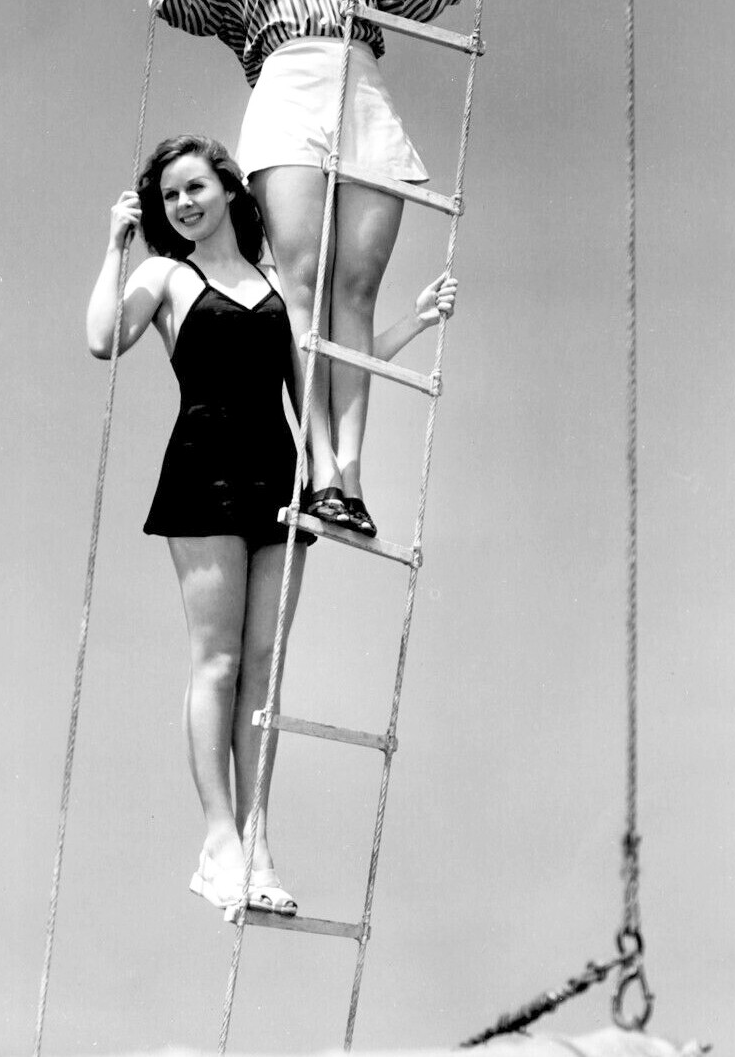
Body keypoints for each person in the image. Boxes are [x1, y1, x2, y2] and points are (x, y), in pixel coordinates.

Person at [87, 134, 457, 915]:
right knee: (217, 661)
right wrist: (115, 247)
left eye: (195, 187)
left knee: (264, 669)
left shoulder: (275, 283)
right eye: (169, 196)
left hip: (276, 479)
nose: (182, 204)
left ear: (229, 188)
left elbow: (321, 371)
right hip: (203, 473)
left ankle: (257, 843)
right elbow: (102, 339)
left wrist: (415, 323)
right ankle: (218, 840)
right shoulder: (164, 275)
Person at [148, 0, 482, 540]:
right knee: (300, 285)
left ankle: (351, 480)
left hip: (362, 97)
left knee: (355, 293)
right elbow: (175, 1)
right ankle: (321, 467)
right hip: (288, 96)